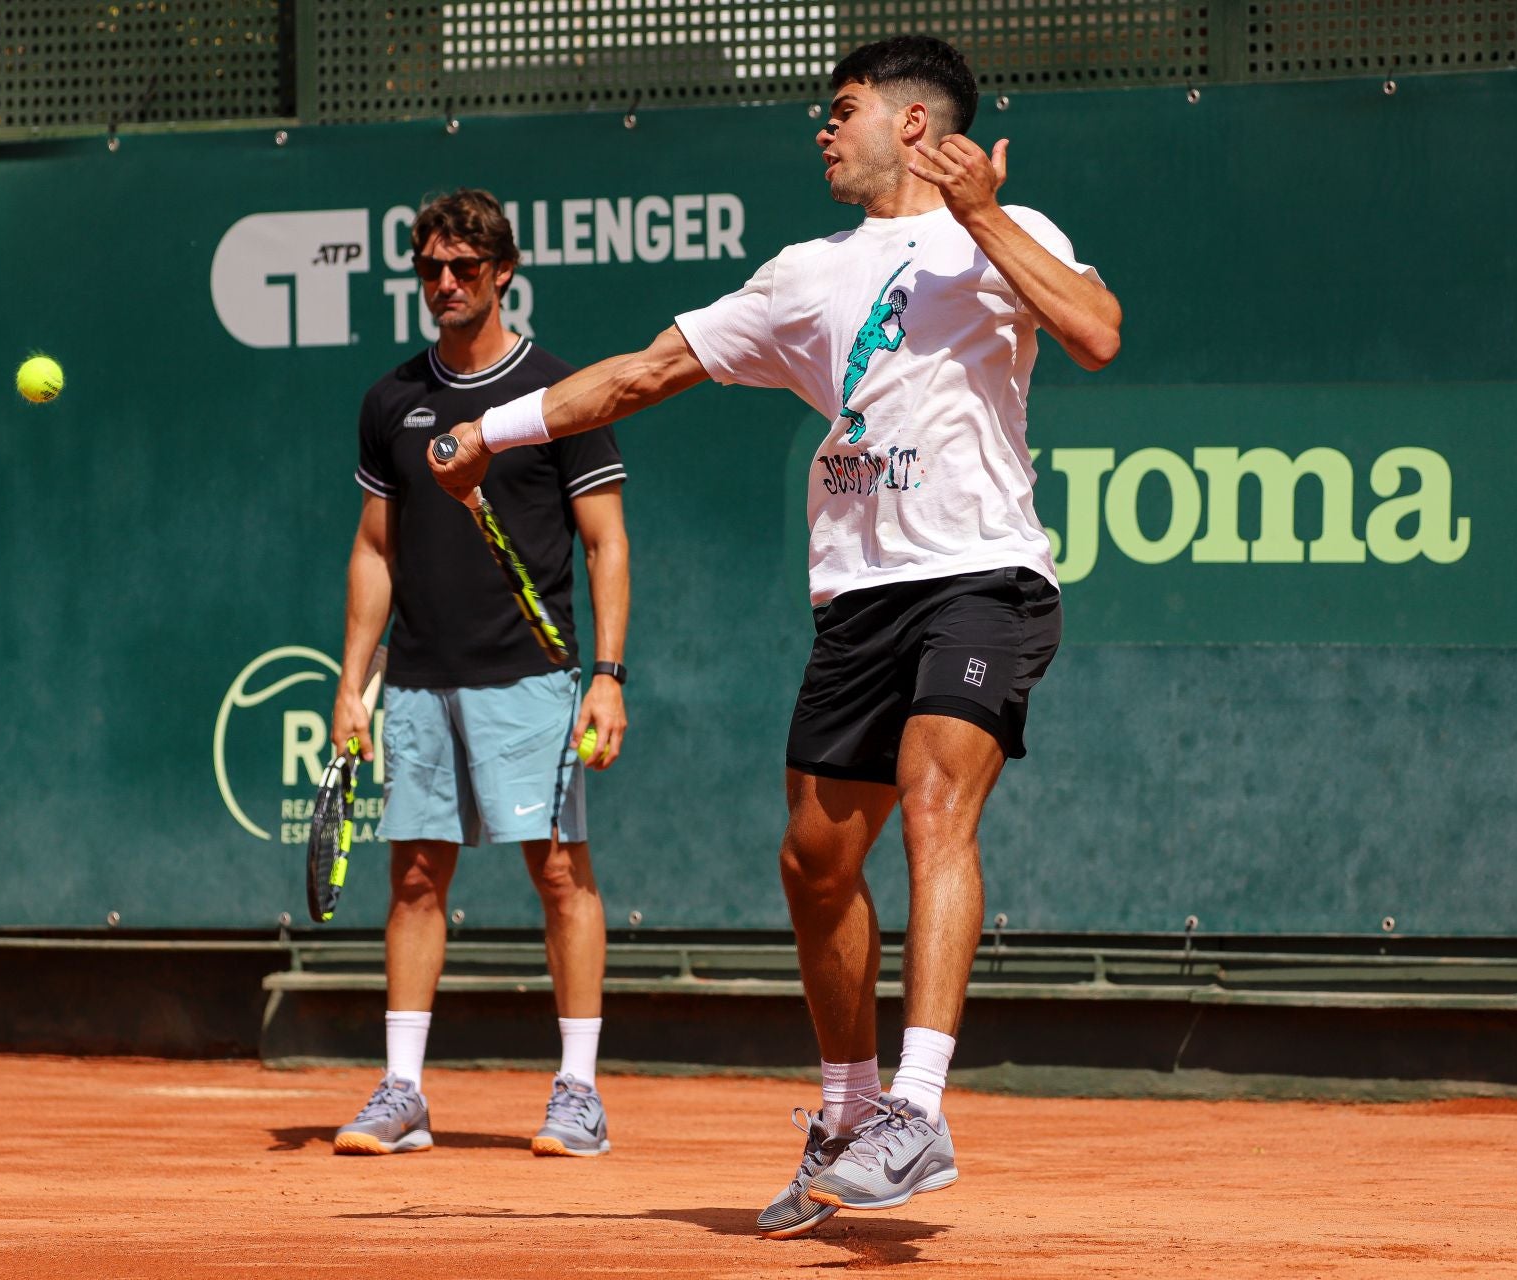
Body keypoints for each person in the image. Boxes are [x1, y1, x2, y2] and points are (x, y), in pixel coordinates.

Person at [429, 35, 1120, 1233]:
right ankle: (848, 1113)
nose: (822, 129)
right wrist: (495, 430)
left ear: (912, 123)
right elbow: (645, 372)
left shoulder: (1010, 233)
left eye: (842, 109)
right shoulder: (807, 273)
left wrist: (983, 216)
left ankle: (918, 1107)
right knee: (814, 863)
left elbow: (1097, 331)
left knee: (936, 803)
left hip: (982, 576)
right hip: (857, 598)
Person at [328, 188, 631, 1160]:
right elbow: (375, 548)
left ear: (504, 272)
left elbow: (606, 543)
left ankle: (578, 1093)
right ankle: (404, 1092)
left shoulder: (557, 393)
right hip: (420, 678)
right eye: (430, 268)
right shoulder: (390, 401)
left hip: (532, 675)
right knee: (415, 876)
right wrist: (352, 683)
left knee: (560, 873)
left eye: (464, 266)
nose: (445, 282)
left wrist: (608, 674)